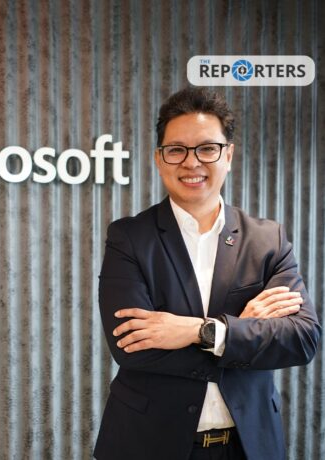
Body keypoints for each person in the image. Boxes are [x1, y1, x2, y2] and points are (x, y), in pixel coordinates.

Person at [94, 87, 321, 460]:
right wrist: (245, 331)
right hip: (150, 443)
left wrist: (199, 331)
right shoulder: (129, 238)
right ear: (159, 159)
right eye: (177, 150)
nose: (191, 162)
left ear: (228, 155)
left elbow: (301, 339)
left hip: (248, 446)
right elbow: (131, 347)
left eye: (207, 149)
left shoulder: (267, 239)